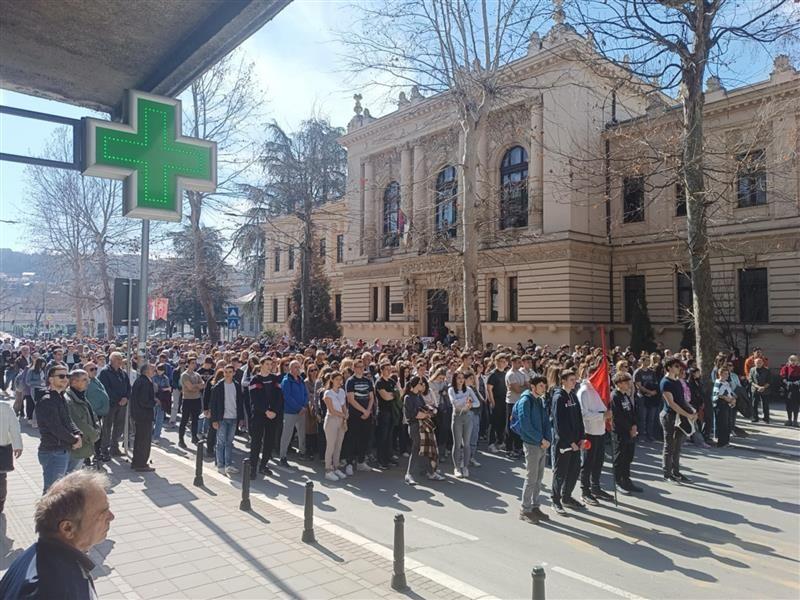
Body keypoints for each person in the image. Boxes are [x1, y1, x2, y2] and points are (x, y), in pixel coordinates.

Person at [0, 470, 114, 600]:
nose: (111, 517)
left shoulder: (35, 555)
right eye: (103, 513)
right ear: (67, 528)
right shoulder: (58, 588)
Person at [36, 366, 83, 493]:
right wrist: (74, 440)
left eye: (67, 376)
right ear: (51, 380)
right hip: (53, 451)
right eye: (61, 376)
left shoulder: (61, 397)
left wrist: (78, 434)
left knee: (61, 491)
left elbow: (68, 420)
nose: (65, 379)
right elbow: (56, 428)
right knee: (52, 492)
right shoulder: (47, 401)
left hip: (63, 449)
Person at [516, 375, 551, 523]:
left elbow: (546, 422)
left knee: (539, 478)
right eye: (541, 385)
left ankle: (535, 506)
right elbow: (526, 425)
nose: (544, 388)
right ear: (533, 386)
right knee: (531, 478)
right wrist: (540, 439)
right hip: (532, 444)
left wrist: (548, 439)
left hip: (542, 444)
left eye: (544, 385)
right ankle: (525, 509)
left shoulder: (540, 400)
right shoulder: (525, 401)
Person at [577, 364, 613, 505]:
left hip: (600, 430)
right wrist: (602, 415)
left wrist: (608, 416)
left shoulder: (599, 390)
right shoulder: (584, 392)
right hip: (589, 432)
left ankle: (596, 487)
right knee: (588, 463)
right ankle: (585, 491)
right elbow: (584, 415)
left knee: (599, 461)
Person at [550, 370, 585, 514]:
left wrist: (581, 437)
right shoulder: (559, 397)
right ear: (563, 381)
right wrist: (570, 442)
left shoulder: (574, 396)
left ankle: (567, 497)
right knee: (561, 472)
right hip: (564, 443)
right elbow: (559, 424)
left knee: (574, 471)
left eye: (575, 379)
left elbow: (579, 418)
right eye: (571, 379)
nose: (574, 382)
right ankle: (555, 500)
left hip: (576, 442)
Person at [660, 357, 696, 484]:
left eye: (679, 366)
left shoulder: (677, 381)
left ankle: (676, 472)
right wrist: (687, 414)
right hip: (669, 417)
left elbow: (682, 400)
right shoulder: (665, 382)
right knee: (669, 446)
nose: (679, 368)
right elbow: (672, 404)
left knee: (677, 446)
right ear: (669, 367)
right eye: (676, 366)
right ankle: (667, 474)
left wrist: (692, 410)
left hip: (680, 417)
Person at [404, 376, 443, 485]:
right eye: (420, 383)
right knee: (416, 449)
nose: (423, 385)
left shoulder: (419, 396)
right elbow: (415, 414)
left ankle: (430, 472)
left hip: (424, 426)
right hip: (415, 426)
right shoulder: (408, 397)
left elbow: (425, 409)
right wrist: (426, 414)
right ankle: (409, 474)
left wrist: (430, 411)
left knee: (426, 449)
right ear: (415, 385)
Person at [248, 356, 282, 477]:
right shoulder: (255, 380)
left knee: (269, 441)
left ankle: (263, 465)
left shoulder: (275, 379)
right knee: (256, 441)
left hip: (272, 415)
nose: (269, 366)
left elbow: (279, 396)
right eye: (267, 364)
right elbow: (254, 399)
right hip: (259, 415)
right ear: (261, 365)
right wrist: (265, 411)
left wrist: (274, 411)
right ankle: (252, 467)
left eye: (270, 364)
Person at [210, 364, 245, 475]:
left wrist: (241, 418)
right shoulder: (218, 386)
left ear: (234, 373)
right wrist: (214, 420)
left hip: (234, 417)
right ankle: (220, 465)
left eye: (230, 372)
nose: (228, 374)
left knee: (229, 442)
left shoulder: (237, 385)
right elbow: (213, 404)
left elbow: (240, 402)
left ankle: (228, 465)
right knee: (221, 442)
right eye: (226, 372)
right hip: (222, 418)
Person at [610, 371, 642, 494]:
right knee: (620, 457)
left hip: (630, 431)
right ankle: (618, 481)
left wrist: (634, 425)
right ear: (619, 384)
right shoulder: (615, 396)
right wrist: (629, 428)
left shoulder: (626, 395)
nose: (629, 384)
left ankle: (627, 480)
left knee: (628, 457)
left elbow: (632, 411)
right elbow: (617, 416)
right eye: (626, 382)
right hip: (620, 432)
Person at [64, 370, 100, 472]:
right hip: (78, 445)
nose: (88, 382)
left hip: (85, 443)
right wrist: (94, 435)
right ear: (74, 382)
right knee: (71, 474)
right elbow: (78, 423)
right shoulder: (69, 400)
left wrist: (97, 429)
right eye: (84, 379)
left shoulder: (81, 396)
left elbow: (93, 416)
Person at [98, 352, 131, 460]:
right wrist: (118, 399)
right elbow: (105, 389)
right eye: (118, 359)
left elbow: (128, 387)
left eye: (121, 359)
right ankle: (104, 450)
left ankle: (114, 448)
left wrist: (126, 397)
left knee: (119, 426)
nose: (120, 361)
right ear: (111, 360)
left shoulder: (123, 373)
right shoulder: (105, 372)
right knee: (107, 427)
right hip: (111, 404)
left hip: (122, 405)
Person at [343, 359, 374, 474]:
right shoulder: (350, 381)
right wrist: (363, 411)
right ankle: (349, 463)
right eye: (359, 367)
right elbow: (351, 399)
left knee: (364, 438)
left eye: (362, 367)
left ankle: (361, 462)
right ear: (354, 368)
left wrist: (368, 411)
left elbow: (371, 397)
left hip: (367, 414)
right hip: (355, 415)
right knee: (352, 439)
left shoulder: (368, 381)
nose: (361, 369)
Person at [279, 360, 309, 467]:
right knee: (287, 434)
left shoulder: (301, 380)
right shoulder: (286, 381)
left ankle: (302, 452)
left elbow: (305, 394)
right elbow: (287, 397)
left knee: (302, 433)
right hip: (290, 412)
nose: (297, 369)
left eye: (298, 367)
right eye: (295, 367)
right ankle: (283, 456)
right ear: (290, 369)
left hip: (302, 411)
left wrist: (304, 406)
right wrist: (298, 407)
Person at [449, 371, 477, 478]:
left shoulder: (468, 389)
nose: (461, 380)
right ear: (455, 379)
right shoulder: (451, 390)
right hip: (457, 417)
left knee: (466, 444)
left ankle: (465, 467)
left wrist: (470, 405)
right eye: (458, 378)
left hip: (467, 417)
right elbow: (454, 402)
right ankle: (456, 467)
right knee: (457, 444)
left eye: (462, 378)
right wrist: (465, 400)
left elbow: (477, 402)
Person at [322, 371, 349, 481]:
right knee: (331, 446)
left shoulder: (342, 391)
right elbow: (331, 410)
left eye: (340, 379)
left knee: (339, 445)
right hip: (331, 420)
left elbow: (343, 406)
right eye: (337, 379)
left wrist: (345, 417)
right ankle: (328, 469)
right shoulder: (328, 393)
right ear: (332, 380)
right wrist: (343, 415)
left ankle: (336, 466)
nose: (339, 381)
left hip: (341, 420)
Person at [130, 364, 156, 472]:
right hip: (144, 415)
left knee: (140, 439)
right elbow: (144, 401)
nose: (154, 370)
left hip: (139, 415)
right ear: (146, 371)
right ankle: (141, 463)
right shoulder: (145, 382)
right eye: (152, 369)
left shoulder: (141, 380)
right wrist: (154, 402)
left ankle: (137, 462)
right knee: (144, 440)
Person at [0, 399, 23, 513]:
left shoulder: (5, 407)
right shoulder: (5, 407)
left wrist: (17, 445)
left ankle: (0, 501)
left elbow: (14, 427)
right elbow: (14, 427)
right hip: (3, 447)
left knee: (1, 478)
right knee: (1, 478)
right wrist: (17, 445)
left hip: (2, 449)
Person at [375, 362, 397, 470]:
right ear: (381, 370)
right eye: (386, 369)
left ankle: (388, 457)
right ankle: (381, 460)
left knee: (389, 436)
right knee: (382, 437)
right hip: (383, 412)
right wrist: (394, 394)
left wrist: (393, 394)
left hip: (392, 411)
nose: (388, 371)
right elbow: (386, 397)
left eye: (390, 369)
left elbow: (400, 392)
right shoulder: (379, 382)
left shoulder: (392, 381)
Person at [178, 357, 204, 449]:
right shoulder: (185, 375)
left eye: (195, 363)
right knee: (184, 420)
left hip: (196, 399)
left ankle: (194, 436)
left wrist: (195, 386)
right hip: (187, 399)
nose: (194, 364)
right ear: (188, 364)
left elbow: (203, 385)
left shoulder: (197, 374)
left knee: (195, 419)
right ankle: (181, 439)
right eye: (192, 363)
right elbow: (190, 388)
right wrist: (197, 386)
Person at [504, 356, 527, 458]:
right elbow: (517, 390)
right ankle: (509, 449)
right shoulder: (510, 374)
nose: (520, 364)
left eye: (520, 362)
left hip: (520, 402)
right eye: (518, 362)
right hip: (512, 402)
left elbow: (528, 385)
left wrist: (522, 387)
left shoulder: (522, 373)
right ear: (512, 362)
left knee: (520, 425)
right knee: (511, 426)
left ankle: (518, 447)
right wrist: (523, 387)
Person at [486, 354, 508, 452]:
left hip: (504, 401)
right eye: (500, 361)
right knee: (494, 423)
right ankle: (491, 443)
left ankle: (500, 442)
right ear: (496, 362)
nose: (502, 363)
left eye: (504, 361)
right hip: (496, 400)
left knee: (502, 422)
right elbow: (489, 389)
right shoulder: (493, 374)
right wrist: (492, 402)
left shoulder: (505, 374)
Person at [712, 365, 736, 447]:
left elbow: (730, 392)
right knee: (722, 424)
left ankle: (726, 441)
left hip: (727, 404)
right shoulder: (717, 382)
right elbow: (717, 394)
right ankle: (721, 442)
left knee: (727, 423)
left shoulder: (727, 383)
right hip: (720, 404)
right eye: (725, 374)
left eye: (727, 374)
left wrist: (733, 399)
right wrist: (726, 398)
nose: (727, 375)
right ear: (720, 374)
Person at [152, 363, 172, 442]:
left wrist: (164, 389)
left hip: (162, 399)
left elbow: (168, 388)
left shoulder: (165, 378)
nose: (160, 371)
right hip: (154, 399)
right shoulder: (153, 377)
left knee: (159, 419)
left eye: (161, 370)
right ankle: (151, 433)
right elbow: (153, 388)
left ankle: (156, 436)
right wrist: (163, 389)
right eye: (159, 369)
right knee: (152, 418)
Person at [749, 356, 772, 424]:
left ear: (762, 363)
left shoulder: (767, 370)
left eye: (760, 362)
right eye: (757, 362)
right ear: (754, 363)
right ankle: (755, 417)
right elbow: (750, 380)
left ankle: (766, 418)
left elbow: (769, 381)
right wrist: (758, 387)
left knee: (765, 404)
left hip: (765, 389)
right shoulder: (752, 370)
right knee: (754, 404)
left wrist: (763, 387)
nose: (758, 364)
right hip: (755, 389)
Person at [780, 355, 800, 427]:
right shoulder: (785, 368)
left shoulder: (799, 368)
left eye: (795, 360)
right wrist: (786, 382)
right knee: (788, 405)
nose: (793, 362)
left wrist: (798, 382)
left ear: (797, 361)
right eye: (791, 360)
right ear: (789, 361)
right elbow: (782, 378)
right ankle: (789, 420)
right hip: (788, 389)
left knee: (796, 405)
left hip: (797, 389)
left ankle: (795, 420)